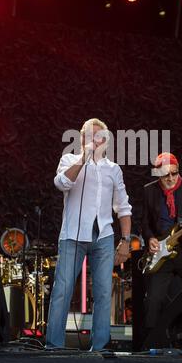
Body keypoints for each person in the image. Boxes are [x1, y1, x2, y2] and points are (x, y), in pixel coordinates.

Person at [46, 118, 132, 350]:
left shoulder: (113, 169)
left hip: (103, 236)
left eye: (98, 136)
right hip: (73, 236)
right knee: (62, 291)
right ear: (81, 138)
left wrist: (125, 240)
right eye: (88, 135)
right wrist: (83, 159)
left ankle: (100, 348)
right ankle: (53, 347)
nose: (93, 140)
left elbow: (123, 207)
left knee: (104, 293)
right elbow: (61, 183)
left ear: (105, 141)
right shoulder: (69, 160)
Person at [141, 152, 182, 348]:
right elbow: (145, 222)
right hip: (162, 254)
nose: (170, 178)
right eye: (165, 175)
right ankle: (150, 345)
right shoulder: (149, 191)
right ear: (157, 175)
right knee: (153, 299)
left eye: (174, 173)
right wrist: (150, 238)